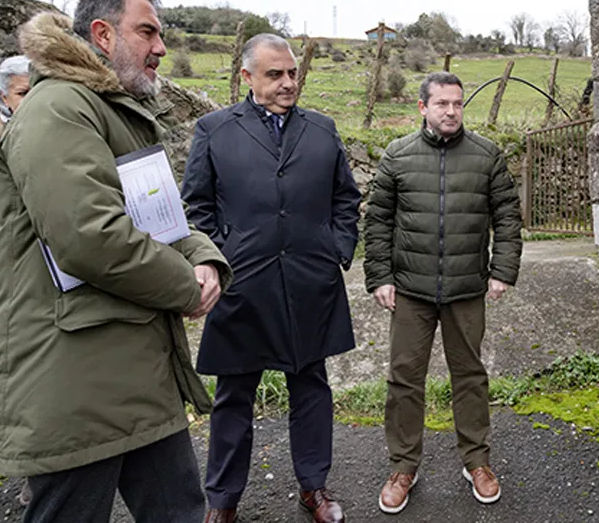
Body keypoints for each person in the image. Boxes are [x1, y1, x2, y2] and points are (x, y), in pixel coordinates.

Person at [0, 0, 232, 523]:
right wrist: (184, 285)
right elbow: (90, 236)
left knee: (180, 513)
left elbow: (162, 216)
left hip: (139, 372)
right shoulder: (58, 109)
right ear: (102, 34)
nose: (161, 47)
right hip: (76, 381)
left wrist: (206, 257)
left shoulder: (113, 110)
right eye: (148, 31)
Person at [182, 33, 361, 523]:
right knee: (234, 396)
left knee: (311, 388)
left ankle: (314, 487)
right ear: (246, 77)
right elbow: (196, 206)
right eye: (274, 75)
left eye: (292, 73)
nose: (287, 83)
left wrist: (336, 250)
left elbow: (346, 199)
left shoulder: (322, 130)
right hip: (242, 284)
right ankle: (222, 501)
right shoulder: (215, 130)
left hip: (309, 283)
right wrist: (222, 256)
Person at [364, 72, 523, 514]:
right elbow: (377, 222)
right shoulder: (397, 156)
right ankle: (403, 466)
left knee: (470, 376)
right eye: (442, 104)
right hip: (411, 291)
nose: (451, 111)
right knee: (404, 379)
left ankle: (477, 461)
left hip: (466, 289)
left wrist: (502, 270)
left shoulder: (487, 155)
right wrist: (379, 276)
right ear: (423, 108)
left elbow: (507, 216)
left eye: (457, 103)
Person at [0, 54, 31, 507]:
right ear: (2, 96)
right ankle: (27, 468)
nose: (31, 102)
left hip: (57, 268)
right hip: (6, 267)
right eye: (22, 93)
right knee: (16, 363)